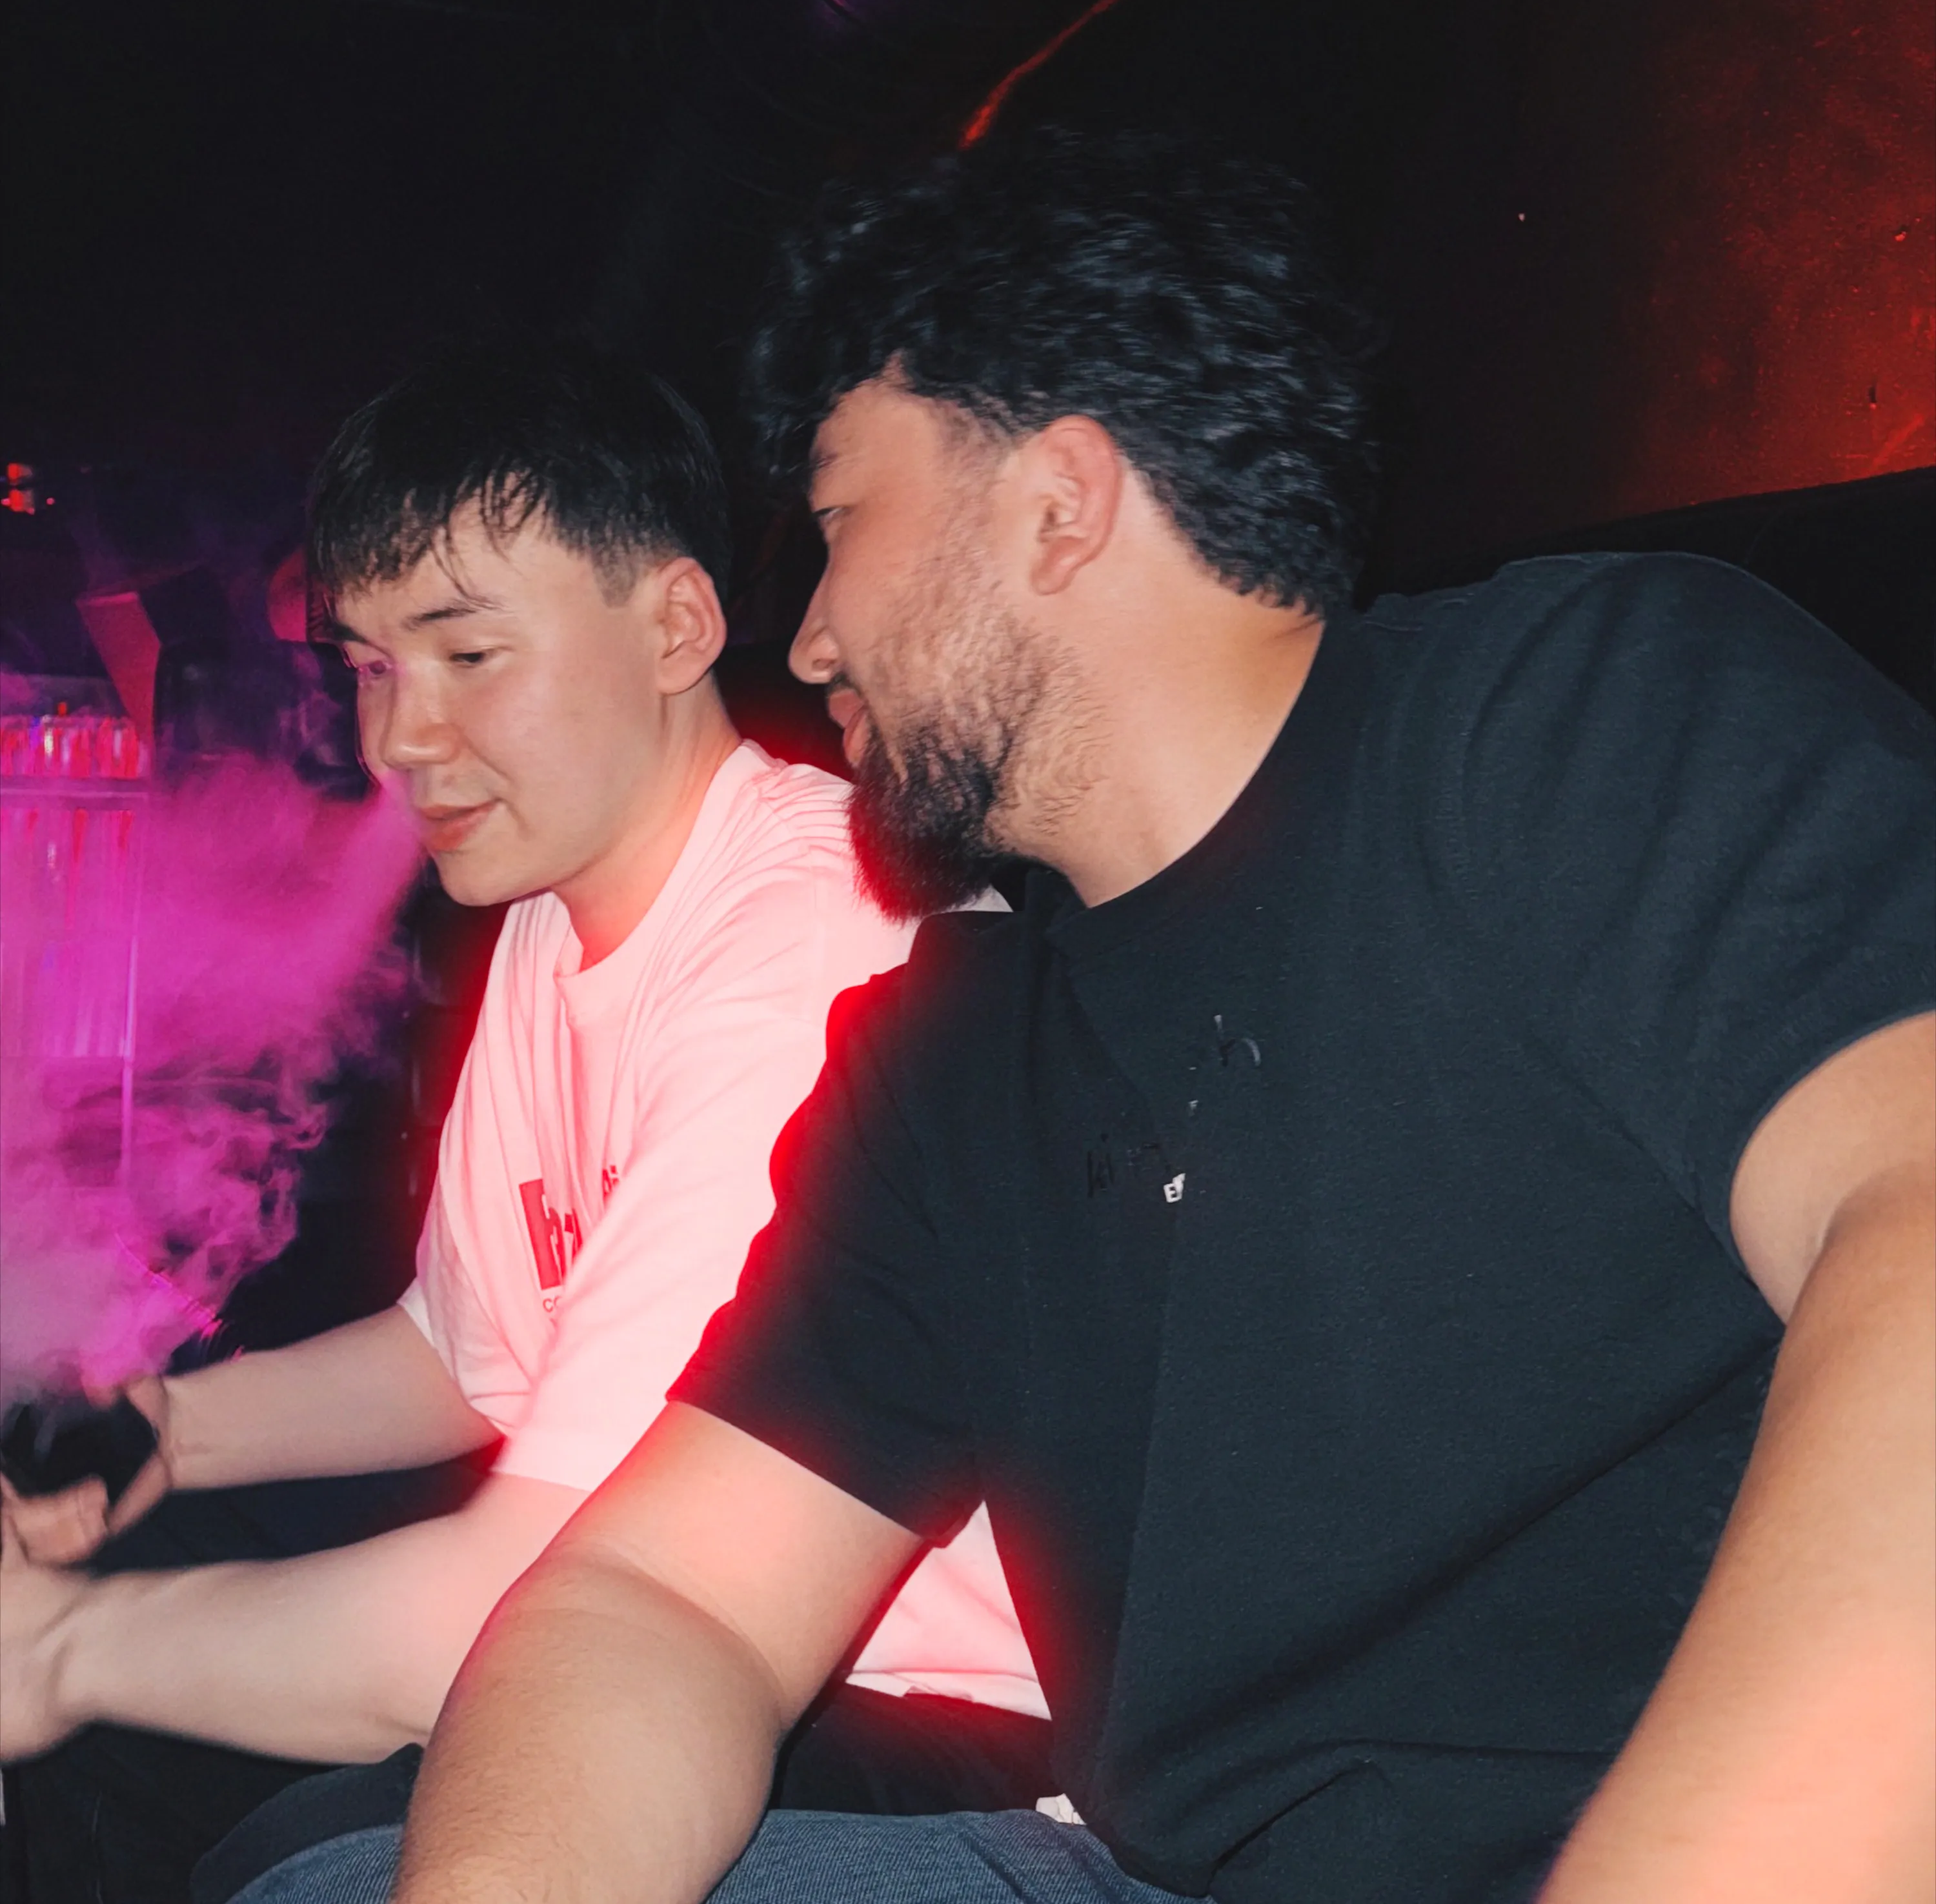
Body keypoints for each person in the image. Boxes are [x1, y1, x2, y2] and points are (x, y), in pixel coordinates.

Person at [243, 130, 1931, 1904]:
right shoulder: (949, 1063)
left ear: (1057, 503)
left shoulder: (1568, 715)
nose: (807, 643)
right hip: (1152, 1875)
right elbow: (661, 1598)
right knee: (330, 1880)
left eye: (840, 523)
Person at [0, 341, 1047, 1904]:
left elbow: (537, 1591)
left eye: (468, 654)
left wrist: (62, 1653)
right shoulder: (560, 911)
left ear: (678, 625)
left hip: (921, 1706)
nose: (396, 739)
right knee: (137, 1612)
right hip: (675, 1634)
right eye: (370, 666)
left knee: (298, 1842)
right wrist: (171, 1432)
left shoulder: (811, 941)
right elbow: (466, 1350)